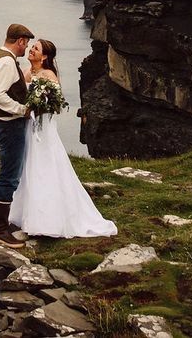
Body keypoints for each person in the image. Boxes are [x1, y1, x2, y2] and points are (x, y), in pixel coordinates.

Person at [9, 38, 118, 239]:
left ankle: (47, 219)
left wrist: (39, 105)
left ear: (45, 57)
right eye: (32, 47)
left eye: (36, 48)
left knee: (44, 165)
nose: (32, 50)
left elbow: (54, 104)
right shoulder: (26, 72)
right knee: (28, 165)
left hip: (43, 128)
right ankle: (26, 213)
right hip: (29, 125)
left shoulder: (49, 75)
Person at [0, 23, 34, 247]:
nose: (27, 48)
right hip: (7, 125)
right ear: (20, 40)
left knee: (10, 172)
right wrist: (21, 109)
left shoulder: (0, 57)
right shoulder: (5, 61)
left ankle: (4, 223)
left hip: (1, 123)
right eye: (27, 43)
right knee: (9, 175)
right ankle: (0, 229)